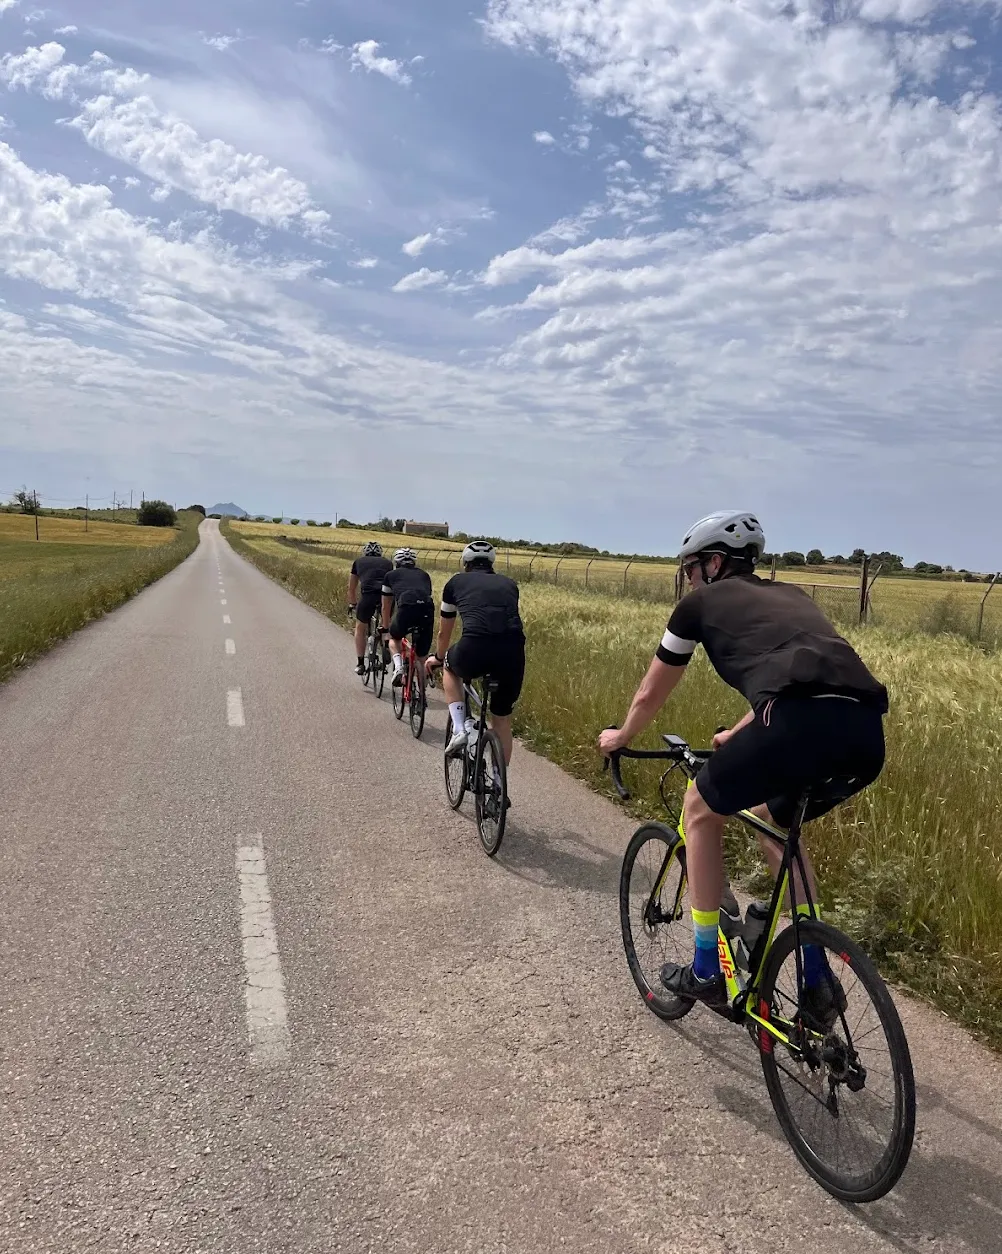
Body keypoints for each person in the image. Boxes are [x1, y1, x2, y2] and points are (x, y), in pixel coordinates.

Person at [598, 511, 888, 1025]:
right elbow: (800, 675)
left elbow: (652, 690)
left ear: (713, 564)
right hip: (864, 732)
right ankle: (816, 976)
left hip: (792, 722)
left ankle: (707, 966)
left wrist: (621, 736)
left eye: (690, 569)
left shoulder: (699, 603)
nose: (688, 580)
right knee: (775, 824)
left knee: (700, 807)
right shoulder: (795, 596)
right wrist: (738, 734)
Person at [426, 541, 525, 767]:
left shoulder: (455, 583)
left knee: (450, 667)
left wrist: (439, 658)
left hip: (475, 645)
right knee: (501, 718)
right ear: (492, 563)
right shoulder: (510, 584)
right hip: (513, 651)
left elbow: (444, 631)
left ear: (465, 563)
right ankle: (499, 786)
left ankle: (460, 729)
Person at [381, 548, 435, 686]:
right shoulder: (425, 575)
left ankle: (398, 666)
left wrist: (386, 629)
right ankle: (421, 697)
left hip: (406, 608)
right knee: (421, 656)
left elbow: (386, 606)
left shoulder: (390, 575)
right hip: (427, 609)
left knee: (394, 638)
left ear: (396, 562)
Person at [348, 541, 392, 676]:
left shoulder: (358, 562)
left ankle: (360, 663)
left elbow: (351, 587)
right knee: (386, 624)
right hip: (386, 597)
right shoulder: (388, 563)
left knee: (360, 628)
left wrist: (352, 604)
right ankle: (385, 645)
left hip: (368, 597)